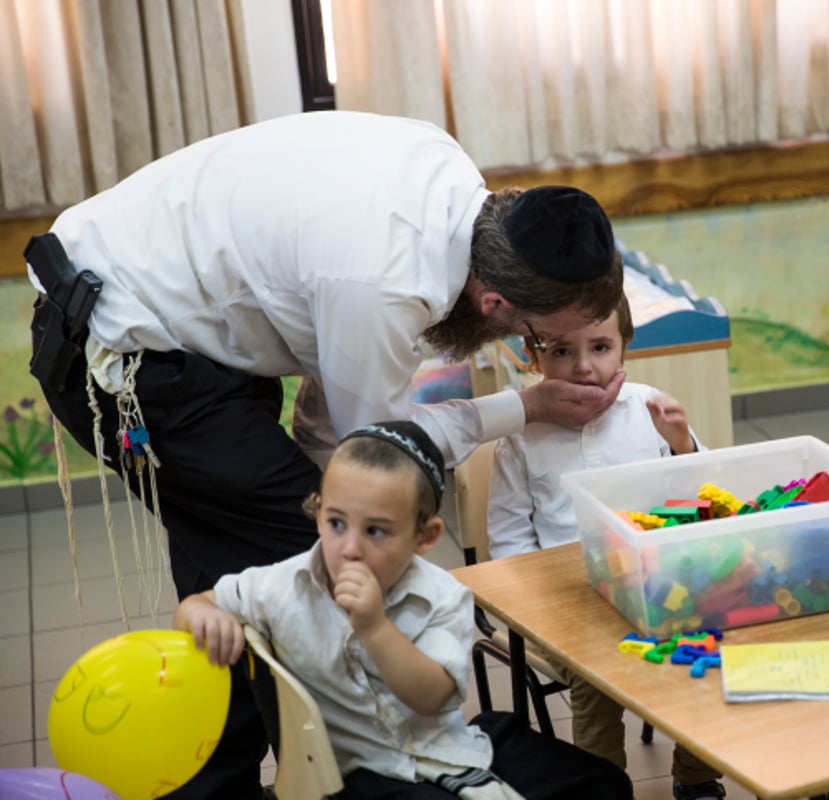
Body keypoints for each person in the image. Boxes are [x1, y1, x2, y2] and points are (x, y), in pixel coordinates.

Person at [26, 111, 625, 799]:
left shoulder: (447, 173)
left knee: (242, 558)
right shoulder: (386, 281)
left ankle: (224, 782)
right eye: (534, 338)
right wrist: (527, 407)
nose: (542, 358)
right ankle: (356, 784)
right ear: (494, 300)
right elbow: (374, 451)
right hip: (125, 355)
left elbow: (326, 419)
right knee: (316, 564)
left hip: (182, 328)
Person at [175, 420, 634, 800]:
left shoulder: (441, 595)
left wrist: (374, 627)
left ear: (426, 537)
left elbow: (432, 696)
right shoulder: (282, 584)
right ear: (316, 513)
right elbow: (198, 605)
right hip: (349, 778)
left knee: (606, 783)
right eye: (336, 523)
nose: (349, 548)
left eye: (377, 531)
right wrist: (202, 613)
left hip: (443, 748)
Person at [486, 296, 725, 800]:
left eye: (599, 347)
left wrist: (682, 444)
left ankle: (698, 780)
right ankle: (599, 790)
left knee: (706, 651)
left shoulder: (647, 408)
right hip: (569, 603)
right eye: (561, 351)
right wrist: (541, 605)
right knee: (596, 680)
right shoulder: (521, 433)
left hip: (659, 586)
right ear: (532, 355)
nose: (583, 366)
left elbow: (706, 504)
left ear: (624, 348)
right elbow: (507, 539)